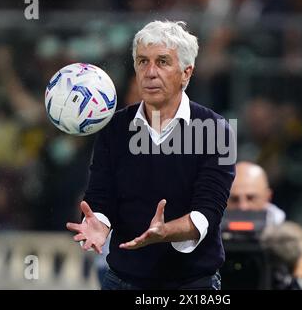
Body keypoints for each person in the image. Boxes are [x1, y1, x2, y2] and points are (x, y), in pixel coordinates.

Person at [66, 20, 236, 290]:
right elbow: (101, 196)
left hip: (192, 284)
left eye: (163, 62)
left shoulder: (215, 130)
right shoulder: (114, 128)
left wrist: (164, 232)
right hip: (122, 280)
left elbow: (208, 213)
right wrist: (99, 223)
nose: (150, 72)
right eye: (142, 61)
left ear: (186, 73)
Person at [226, 161, 302, 289]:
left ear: (267, 197)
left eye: (251, 198)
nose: (243, 207)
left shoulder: (288, 240)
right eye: (234, 199)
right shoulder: (206, 238)